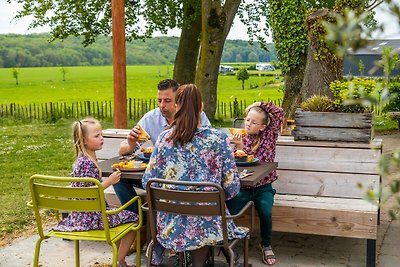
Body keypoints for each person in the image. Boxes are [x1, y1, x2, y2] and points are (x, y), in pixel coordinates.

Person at [142, 84, 247, 267]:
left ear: (176, 106)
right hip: (208, 224)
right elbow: (231, 188)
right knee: (203, 216)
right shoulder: (218, 139)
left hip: (169, 223)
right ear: (201, 107)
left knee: (189, 217)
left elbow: (147, 181)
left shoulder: (163, 139)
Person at [115, 79, 211, 213]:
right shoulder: (150, 118)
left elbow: (207, 145)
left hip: (188, 179)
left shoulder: (197, 117)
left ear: (178, 102)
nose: (162, 105)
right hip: (162, 178)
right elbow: (123, 150)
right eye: (159, 101)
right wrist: (131, 143)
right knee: (118, 178)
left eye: (167, 101)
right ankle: (137, 219)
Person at [54, 117, 138, 267]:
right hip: (93, 217)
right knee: (134, 219)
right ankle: (119, 261)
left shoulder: (83, 158)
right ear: (84, 140)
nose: (102, 138)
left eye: (101, 134)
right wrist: (109, 181)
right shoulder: (87, 163)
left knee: (122, 219)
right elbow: (87, 192)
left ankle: (118, 260)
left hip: (79, 216)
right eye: (97, 136)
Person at [228, 102, 283, 266]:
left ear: (263, 126)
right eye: (247, 120)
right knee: (230, 208)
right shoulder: (240, 137)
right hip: (243, 186)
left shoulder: (269, 136)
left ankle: (265, 244)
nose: (248, 124)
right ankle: (228, 240)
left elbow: (279, 112)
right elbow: (238, 165)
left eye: (253, 122)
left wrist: (258, 104)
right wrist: (237, 148)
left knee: (265, 211)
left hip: (263, 187)